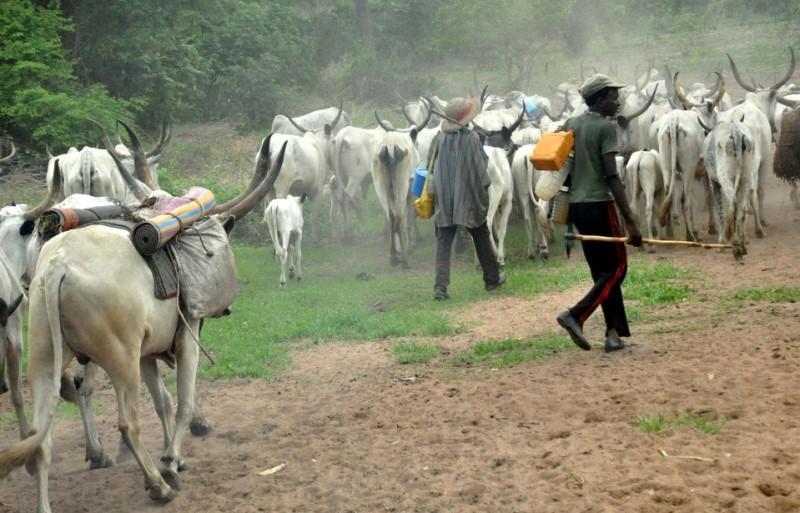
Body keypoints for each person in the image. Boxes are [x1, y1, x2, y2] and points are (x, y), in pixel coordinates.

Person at [556, 74, 643, 352]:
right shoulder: (606, 129)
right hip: (600, 205)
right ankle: (576, 315)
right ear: (601, 98)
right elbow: (612, 176)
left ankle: (613, 334)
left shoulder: (571, 124)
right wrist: (631, 221)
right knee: (617, 268)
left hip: (578, 208)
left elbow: (565, 168)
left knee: (601, 273)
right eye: (613, 96)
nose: (617, 101)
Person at [427, 96, 506, 300]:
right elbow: (482, 168)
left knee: (444, 242)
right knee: (480, 234)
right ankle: (492, 279)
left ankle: (440, 287)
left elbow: (432, 165)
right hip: (468, 199)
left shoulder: (439, 138)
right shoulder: (471, 139)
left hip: (444, 200)